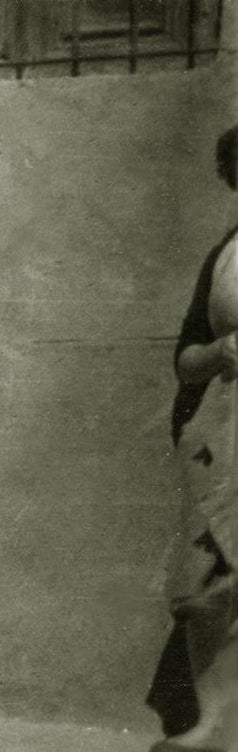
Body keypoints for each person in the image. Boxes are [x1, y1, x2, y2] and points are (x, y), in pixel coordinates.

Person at [146, 125, 238, 752]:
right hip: (229, 441)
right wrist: (221, 351)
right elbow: (184, 360)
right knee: (215, 581)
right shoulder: (226, 257)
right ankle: (200, 728)